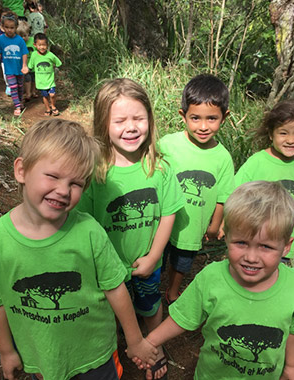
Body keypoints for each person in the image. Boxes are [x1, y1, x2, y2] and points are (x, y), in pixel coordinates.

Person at [0, 119, 158, 380]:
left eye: (76, 184)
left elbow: (115, 287)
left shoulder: (89, 232)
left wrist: (134, 340)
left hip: (95, 356)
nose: (63, 191)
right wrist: (7, 351)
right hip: (40, 358)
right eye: (53, 176)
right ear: (21, 170)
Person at [136, 181, 294, 380]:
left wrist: (291, 365)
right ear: (227, 237)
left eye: (265, 246)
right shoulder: (211, 277)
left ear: (286, 247)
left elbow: (293, 329)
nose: (251, 257)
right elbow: (183, 318)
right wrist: (150, 341)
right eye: (241, 243)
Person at [77, 78, 185, 380]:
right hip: (106, 268)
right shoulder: (95, 172)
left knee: (150, 306)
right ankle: (116, 352)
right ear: (103, 123)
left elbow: (168, 214)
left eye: (139, 118)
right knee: (109, 312)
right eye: (120, 120)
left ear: (150, 119)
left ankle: (154, 346)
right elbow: (83, 221)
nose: (131, 127)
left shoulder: (158, 167)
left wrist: (154, 256)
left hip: (146, 262)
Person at [160, 74, 234, 305]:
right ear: (183, 116)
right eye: (195, 118)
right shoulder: (167, 145)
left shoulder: (223, 158)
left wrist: (215, 226)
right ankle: (147, 293)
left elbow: (223, 196)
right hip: (161, 221)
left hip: (193, 226)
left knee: (182, 262)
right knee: (156, 259)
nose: (203, 126)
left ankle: (172, 292)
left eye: (212, 118)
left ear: (224, 118)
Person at [235, 99, 294, 260]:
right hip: (254, 237)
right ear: (270, 133)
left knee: (275, 279)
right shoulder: (257, 162)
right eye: (283, 133)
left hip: (284, 242)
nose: (290, 140)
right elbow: (237, 194)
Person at [0, 12, 29, 116]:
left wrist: (24, 65)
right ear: (3, 27)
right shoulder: (1, 39)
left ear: (16, 27)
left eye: (12, 27)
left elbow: (24, 53)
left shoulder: (19, 40)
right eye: (7, 27)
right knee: (13, 87)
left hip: (19, 69)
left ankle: (20, 101)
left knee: (20, 87)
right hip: (9, 69)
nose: (9, 30)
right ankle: (17, 106)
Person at [28, 33, 62, 116]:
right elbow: (30, 66)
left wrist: (55, 68)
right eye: (39, 45)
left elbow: (58, 63)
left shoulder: (50, 55)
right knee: (45, 96)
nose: (42, 47)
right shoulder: (34, 55)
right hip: (41, 82)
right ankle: (47, 108)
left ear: (47, 45)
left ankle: (53, 106)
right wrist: (26, 70)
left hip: (50, 80)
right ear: (35, 45)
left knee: (52, 94)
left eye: (44, 45)